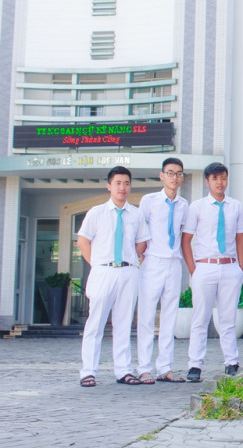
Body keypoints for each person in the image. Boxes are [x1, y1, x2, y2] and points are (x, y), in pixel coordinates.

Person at [77, 166, 150, 387]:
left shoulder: (136, 214)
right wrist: (97, 265)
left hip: (128, 271)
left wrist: (129, 261)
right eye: (118, 183)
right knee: (95, 323)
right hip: (103, 271)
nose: (123, 187)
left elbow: (142, 243)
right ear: (109, 185)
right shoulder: (96, 212)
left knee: (124, 322)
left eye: (126, 183)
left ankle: (124, 370)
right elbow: (82, 241)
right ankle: (88, 371)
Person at [182, 163, 243, 382]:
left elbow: (241, 238)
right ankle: (195, 365)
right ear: (207, 181)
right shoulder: (197, 207)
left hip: (230, 266)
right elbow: (187, 240)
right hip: (205, 266)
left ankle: (231, 361)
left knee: (228, 318)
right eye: (215, 178)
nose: (220, 183)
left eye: (223, 178)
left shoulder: (235, 206)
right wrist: (194, 269)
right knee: (200, 318)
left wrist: (242, 266)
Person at [137, 158, 189, 384]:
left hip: (173, 263)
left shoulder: (184, 205)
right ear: (161, 175)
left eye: (178, 174)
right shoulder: (148, 201)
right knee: (147, 316)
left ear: (182, 177)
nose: (174, 177)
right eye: (170, 173)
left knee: (170, 316)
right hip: (153, 262)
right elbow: (140, 232)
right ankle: (144, 367)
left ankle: (165, 367)